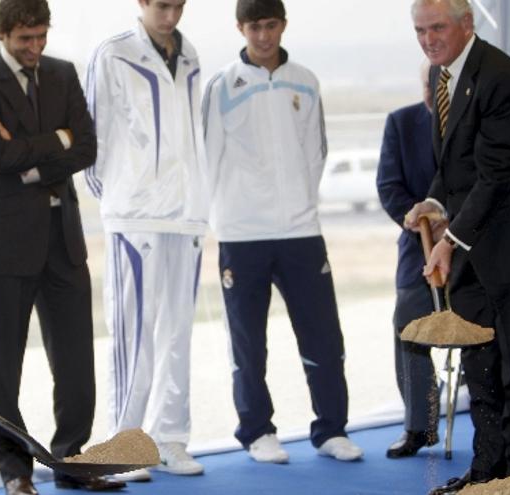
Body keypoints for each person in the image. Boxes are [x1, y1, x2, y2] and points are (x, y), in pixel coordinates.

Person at [403, 1, 510, 493]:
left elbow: (496, 175)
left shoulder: (501, 78)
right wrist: (432, 200)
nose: (428, 39)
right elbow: (457, 168)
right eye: (420, 31)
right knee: (480, 362)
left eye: (437, 28)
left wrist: (449, 241)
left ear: (467, 24)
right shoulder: (441, 75)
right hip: (474, 247)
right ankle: (487, 470)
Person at [0, 1, 124, 493]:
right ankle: (16, 473)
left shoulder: (63, 73)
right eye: (24, 40)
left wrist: (33, 159)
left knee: (78, 364)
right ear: (2, 34)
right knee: (2, 368)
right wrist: (55, 141)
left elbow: (87, 147)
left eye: (41, 37)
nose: (35, 48)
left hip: (64, 243)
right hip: (5, 246)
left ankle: (73, 462)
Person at [201, 0, 363, 465]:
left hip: (300, 232)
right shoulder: (222, 85)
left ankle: (331, 429)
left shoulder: (306, 81)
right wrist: (227, 217)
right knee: (249, 342)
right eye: (255, 27)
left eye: (271, 26)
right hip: (242, 234)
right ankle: (257, 431)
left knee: (324, 337)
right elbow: (209, 155)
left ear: (283, 26)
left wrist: (300, 205)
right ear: (241, 28)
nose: (264, 36)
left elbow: (317, 151)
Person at [85, 0, 207, 482]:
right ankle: (123, 444)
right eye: (161, 5)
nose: (170, 14)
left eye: (177, 5)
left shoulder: (192, 53)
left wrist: (194, 196)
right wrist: (120, 198)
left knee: (178, 334)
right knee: (133, 337)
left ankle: (171, 439)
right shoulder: (113, 54)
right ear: (141, 3)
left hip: (188, 215)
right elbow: (95, 136)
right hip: (135, 217)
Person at [376, 64, 440, 459]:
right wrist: (417, 221)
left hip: (473, 250)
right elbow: (388, 186)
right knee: (409, 327)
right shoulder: (400, 123)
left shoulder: (476, 120)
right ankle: (420, 426)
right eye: (428, 85)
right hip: (418, 249)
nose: (434, 91)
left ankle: (497, 422)